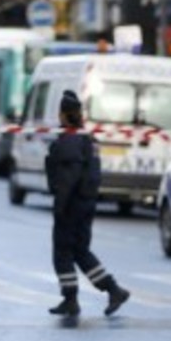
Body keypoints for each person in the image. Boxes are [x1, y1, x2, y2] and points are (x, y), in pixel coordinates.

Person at [46, 90, 130, 319]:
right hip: (86, 203)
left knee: (62, 252)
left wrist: (60, 206)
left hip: (71, 205)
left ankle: (73, 298)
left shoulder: (69, 140)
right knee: (80, 252)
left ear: (63, 115)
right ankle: (112, 290)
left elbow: (67, 178)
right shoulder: (86, 138)